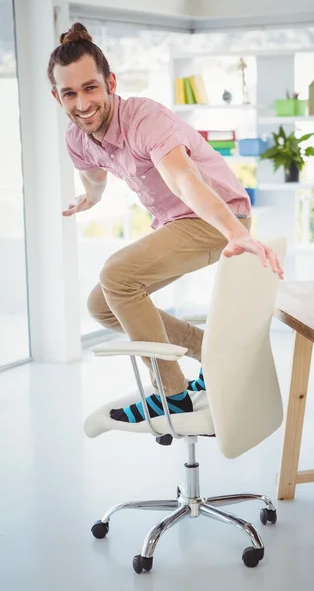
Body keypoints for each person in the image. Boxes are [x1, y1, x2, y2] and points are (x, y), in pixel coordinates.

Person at [48, 23, 284, 424]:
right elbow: (95, 177)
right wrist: (88, 199)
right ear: (57, 97)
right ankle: (210, 353)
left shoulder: (145, 119)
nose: (83, 103)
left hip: (216, 216)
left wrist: (236, 233)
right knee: (102, 304)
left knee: (117, 275)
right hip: (177, 222)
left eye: (90, 88)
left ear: (110, 83)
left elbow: (182, 178)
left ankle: (171, 395)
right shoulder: (78, 138)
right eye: (70, 93)